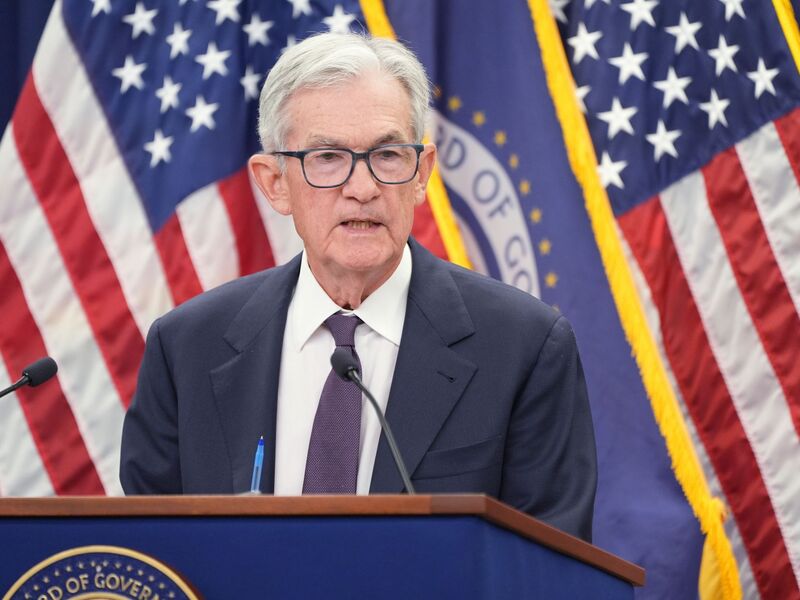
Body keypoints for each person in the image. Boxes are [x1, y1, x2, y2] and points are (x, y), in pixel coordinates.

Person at [120, 32, 597, 542]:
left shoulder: (524, 348)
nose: (363, 188)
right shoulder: (187, 349)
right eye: (327, 157)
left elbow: (547, 566)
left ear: (421, 173)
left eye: (387, 155)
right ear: (275, 183)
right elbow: (150, 559)